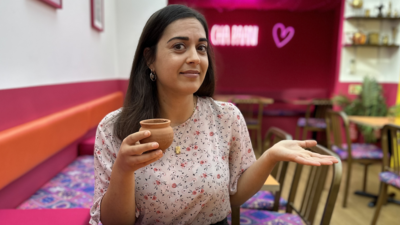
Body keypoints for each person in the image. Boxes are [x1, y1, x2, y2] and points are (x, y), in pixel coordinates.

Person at [89, 4, 338, 225]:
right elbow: (113, 222)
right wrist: (123, 170)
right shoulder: (114, 128)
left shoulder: (226, 117)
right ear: (150, 59)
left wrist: (270, 156)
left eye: (201, 48)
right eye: (179, 46)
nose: (195, 58)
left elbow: (234, 197)